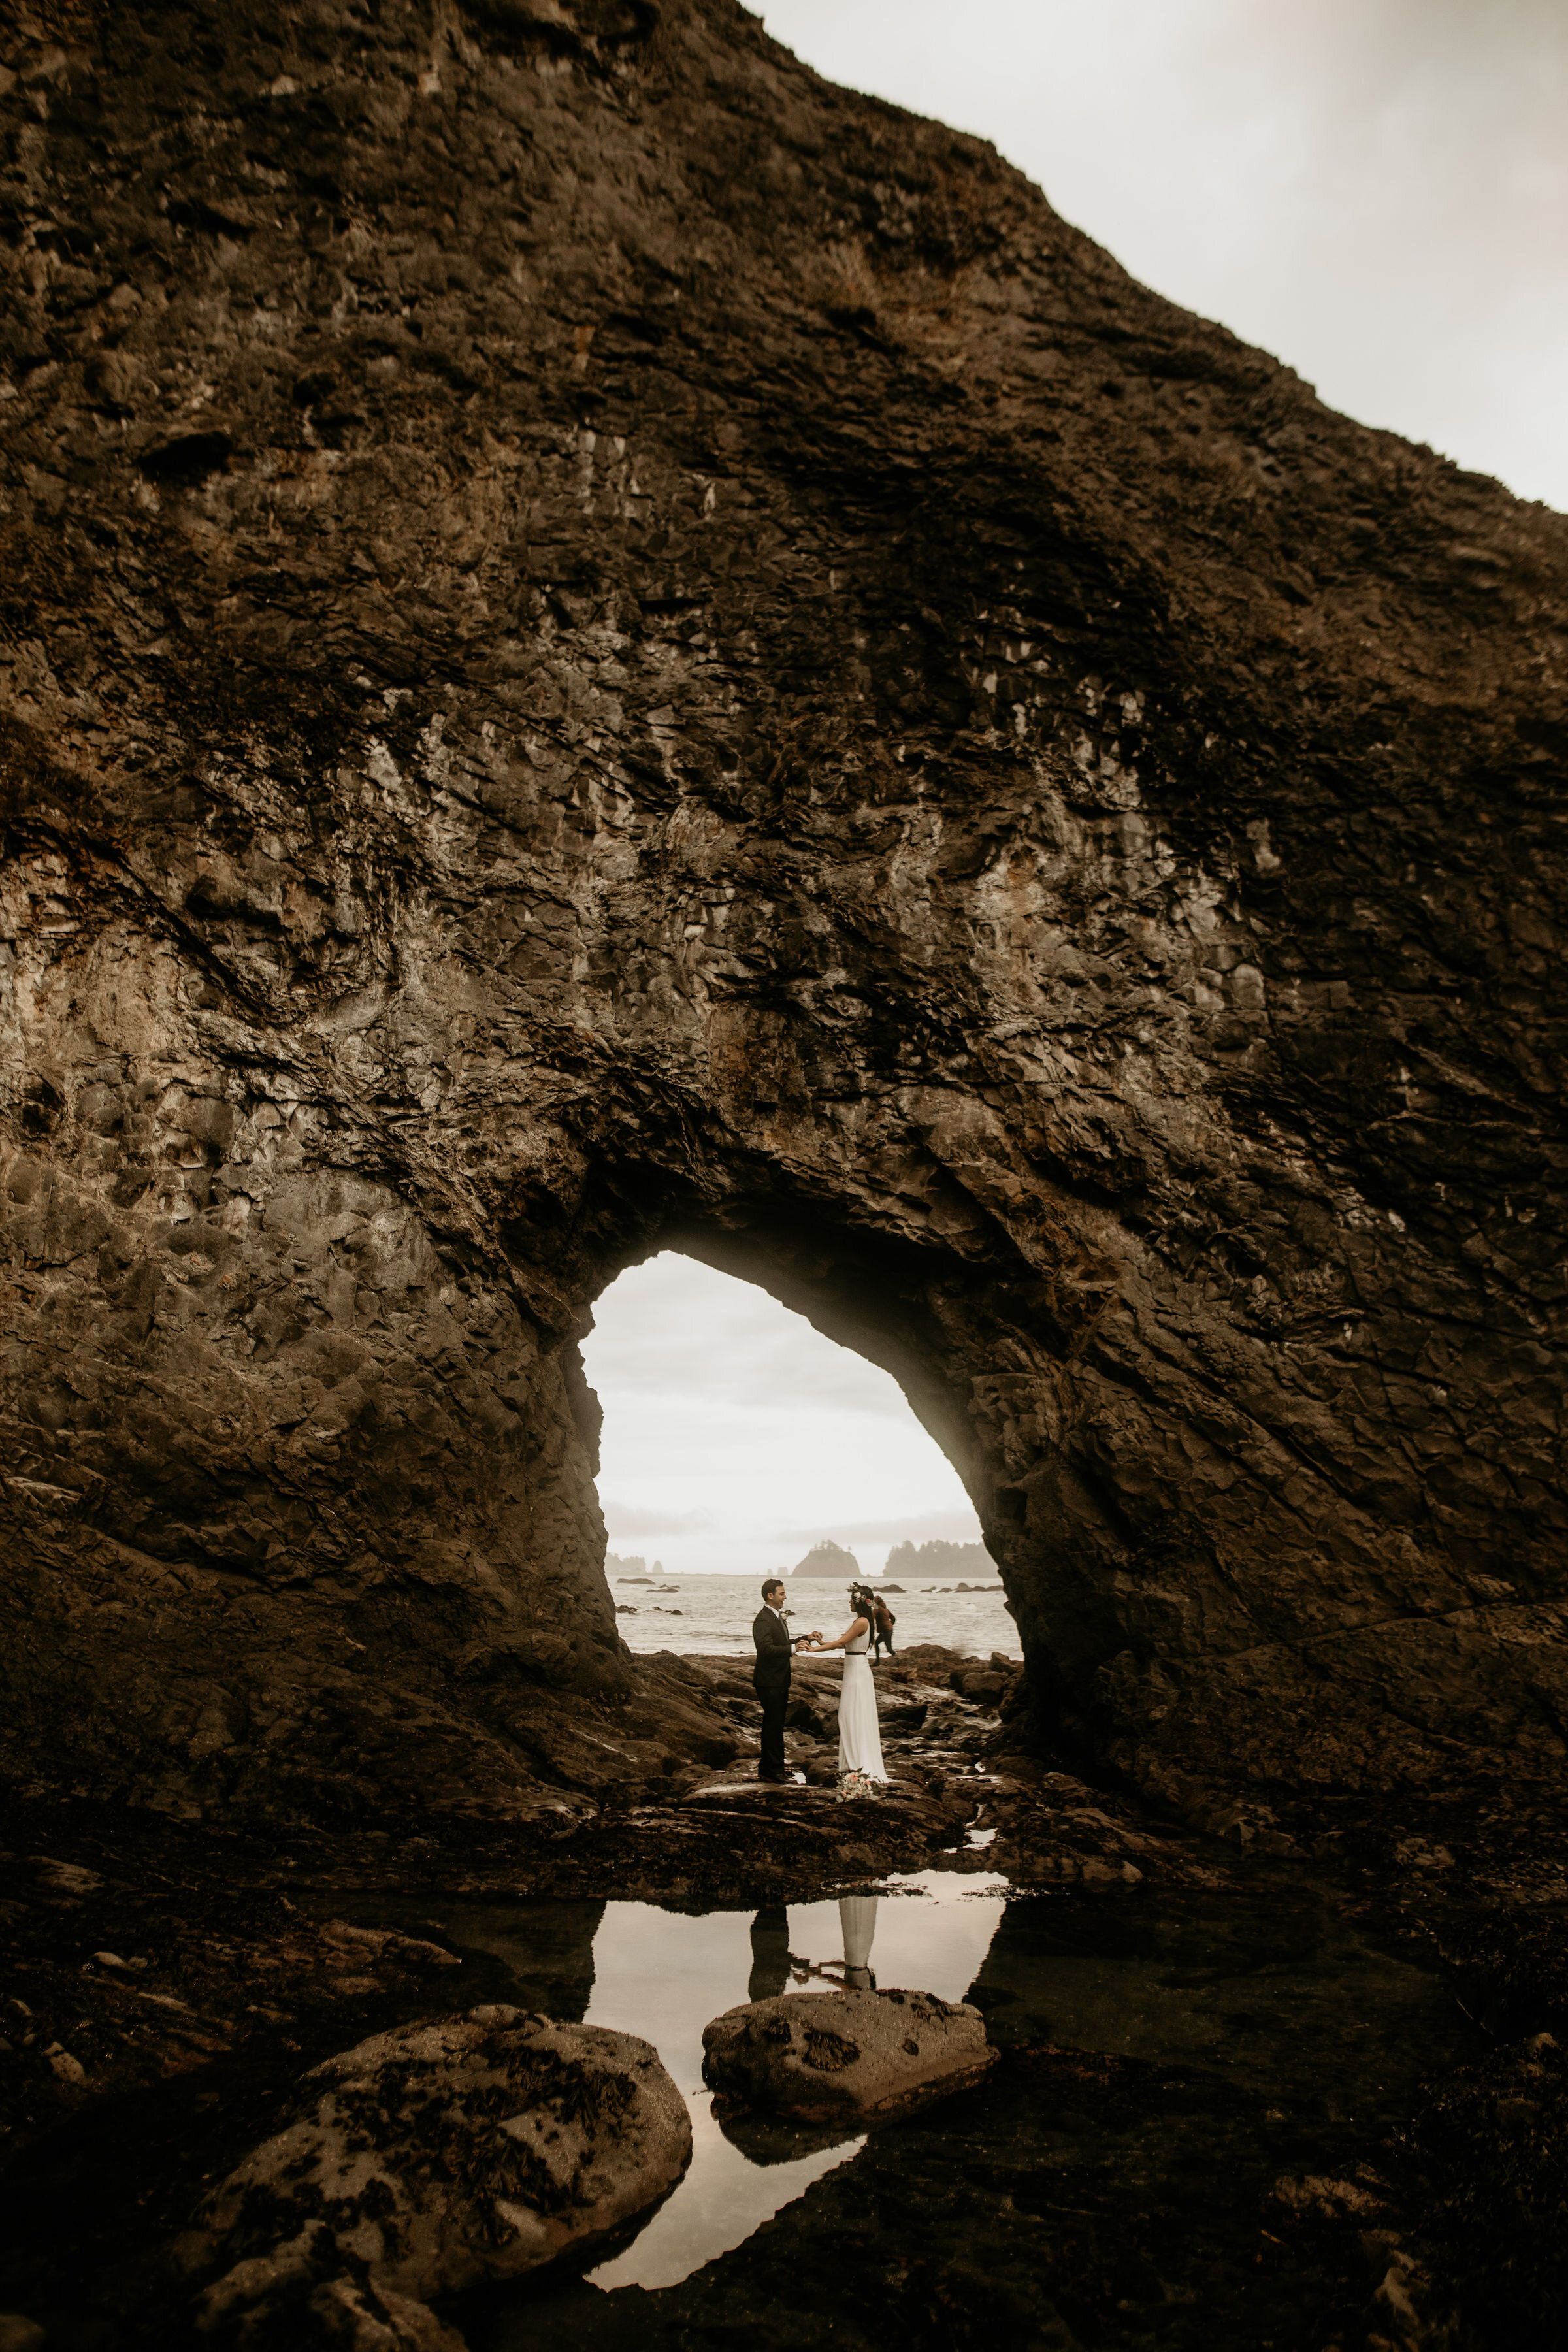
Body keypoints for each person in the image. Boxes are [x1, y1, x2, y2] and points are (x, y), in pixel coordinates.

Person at [804, 1586, 887, 1783]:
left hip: (857, 1672)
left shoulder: (861, 1621)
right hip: (855, 1669)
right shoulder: (862, 1621)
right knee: (851, 1715)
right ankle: (854, 1761)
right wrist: (821, 1642)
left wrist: (813, 1650)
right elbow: (846, 1644)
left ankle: (858, 1763)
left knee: (851, 1715)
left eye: (852, 1599)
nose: (849, 1602)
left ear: (859, 1601)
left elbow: (841, 1643)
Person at [751, 1577, 816, 1784]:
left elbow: (781, 1642)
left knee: (776, 1725)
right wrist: (794, 1649)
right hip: (769, 1681)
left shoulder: (775, 1617)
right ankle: (772, 1771)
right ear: (770, 1596)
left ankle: (772, 1768)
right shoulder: (763, 1619)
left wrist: (805, 1639)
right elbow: (765, 1649)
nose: (785, 1597)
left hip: (778, 1680)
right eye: (782, 1593)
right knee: (773, 1726)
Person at [870, 1590, 896, 1659]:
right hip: (888, 1630)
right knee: (877, 1644)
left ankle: (897, 1658)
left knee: (889, 1649)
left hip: (886, 1630)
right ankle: (877, 1661)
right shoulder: (885, 1609)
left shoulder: (877, 1608)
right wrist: (890, 1625)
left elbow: (872, 1617)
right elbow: (893, 1618)